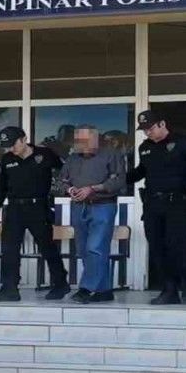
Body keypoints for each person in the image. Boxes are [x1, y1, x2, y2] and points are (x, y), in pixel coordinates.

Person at [127, 109, 186, 305]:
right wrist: (115, 179)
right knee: (157, 246)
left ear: (162, 124)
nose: (147, 132)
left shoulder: (183, 143)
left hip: (178, 202)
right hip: (153, 204)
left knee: (177, 244)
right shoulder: (145, 147)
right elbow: (141, 171)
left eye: (150, 128)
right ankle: (169, 290)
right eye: (144, 130)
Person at [0, 126, 69, 303]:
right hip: (14, 208)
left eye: (13, 144)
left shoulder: (44, 154)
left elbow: (66, 171)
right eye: (7, 146)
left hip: (38, 207)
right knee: (9, 249)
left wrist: (69, 188)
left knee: (47, 247)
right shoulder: (7, 159)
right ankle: (9, 289)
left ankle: (60, 284)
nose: (11, 148)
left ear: (24, 139)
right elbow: (2, 185)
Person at [60, 124, 126, 304]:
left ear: (95, 139)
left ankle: (86, 289)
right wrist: (70, 189)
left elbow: (119, 181)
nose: (80, 144)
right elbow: (62, 180)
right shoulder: (72, 158)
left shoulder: (111, 154)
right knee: (83, 249)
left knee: (95, 247)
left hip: (103, 205)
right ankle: (104, 291)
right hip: (78, 207)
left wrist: (93, 188)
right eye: (77, 141)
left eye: (84, 140)